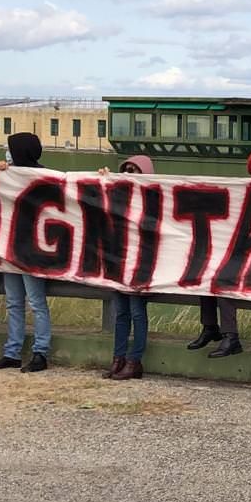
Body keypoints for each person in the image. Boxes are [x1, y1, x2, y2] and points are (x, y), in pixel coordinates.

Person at [187, 150, 251, 358]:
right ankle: (210, 327)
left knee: (225, 284)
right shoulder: (243, 189)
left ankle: (231, 336)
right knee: (206, 275)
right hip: (249, 253)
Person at [0, 132, 53, 374]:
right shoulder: (8, 174)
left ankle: (40, 352)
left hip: (33, 251)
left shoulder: (44, 177)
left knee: (36, 302)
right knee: (14, 302)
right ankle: (12, 352)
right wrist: (0, 172)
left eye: (10, 148)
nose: (7, 153)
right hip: (10, 247)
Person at [97, 155, 156, 380]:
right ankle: (118, 358)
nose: (130, 174)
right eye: (127, 169)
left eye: (135, 170)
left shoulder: (154, 198)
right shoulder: (118, 195)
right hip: (118, 262)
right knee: (121, 313)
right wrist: (104, 179)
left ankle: (135, 360)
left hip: (140, 264)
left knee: (137, 313)